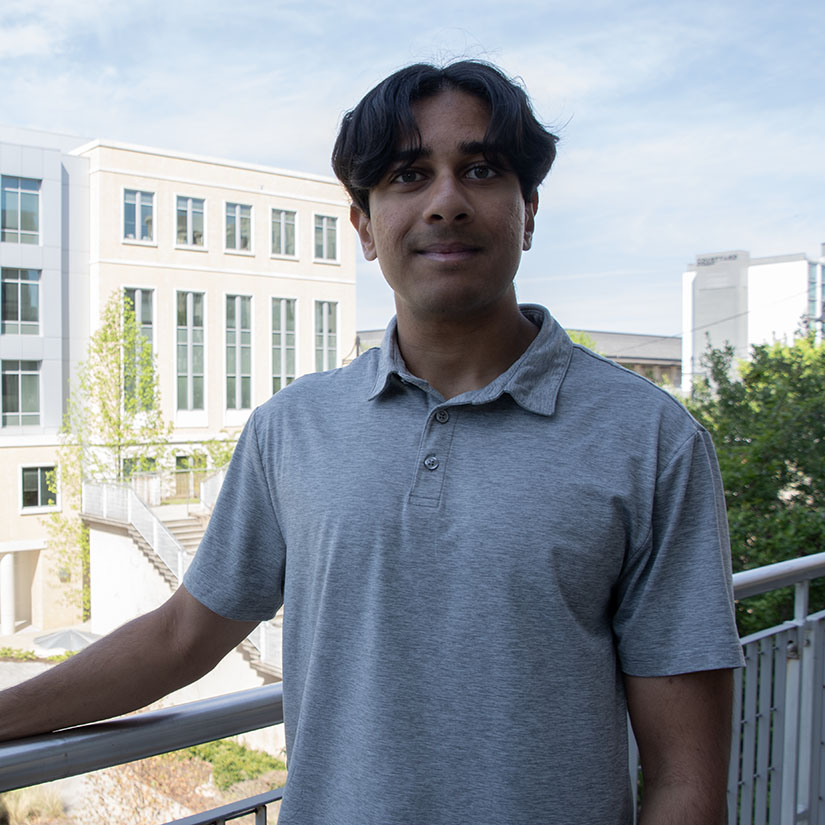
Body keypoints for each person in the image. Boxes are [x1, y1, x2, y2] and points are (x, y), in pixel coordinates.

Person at [0, 61, 743, 824]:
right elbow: (182, 635)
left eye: (480, 169)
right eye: (407, 174)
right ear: (362, 226)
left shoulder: (649, 438)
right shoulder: (293, 427)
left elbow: (685, 779)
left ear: (527, 211)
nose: (445, 201)